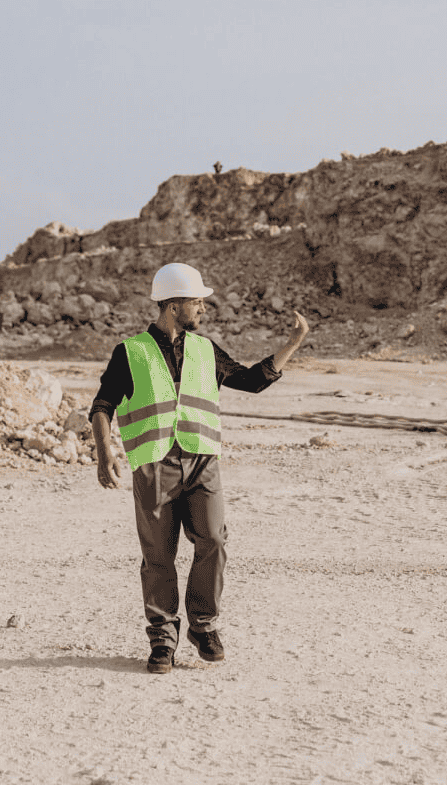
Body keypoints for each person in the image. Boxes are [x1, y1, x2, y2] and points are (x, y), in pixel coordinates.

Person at [89, 262, 310, 674]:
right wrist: (106, 453)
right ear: (173, 306)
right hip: (155, 464)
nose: (203, 309)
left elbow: (251, 380)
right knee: (158, 555)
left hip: (202, 461)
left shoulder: (207, 350)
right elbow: (102, 406)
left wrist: (293, 343)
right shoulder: (131, 351)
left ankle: (203, 626)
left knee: (213, 539)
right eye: (196, 301)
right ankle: (162, 639)